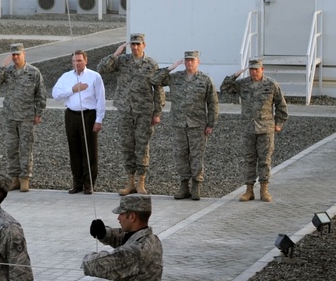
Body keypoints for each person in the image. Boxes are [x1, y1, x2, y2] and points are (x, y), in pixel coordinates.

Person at [98, 34, 164, 196]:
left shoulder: (151, 64)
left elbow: (159, 89)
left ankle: (141, 181)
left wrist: (157, 112)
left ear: (144, 45)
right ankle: (130, 181)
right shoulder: (122, 61)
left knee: (142, 146)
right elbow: (102, 69)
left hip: (144, 112)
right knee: (127, 146)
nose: (135, 47)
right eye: (132, 44)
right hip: (125, 110)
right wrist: (115, 54)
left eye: (138, 44)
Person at [152, 50, 219, 200]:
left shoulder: (205, 80)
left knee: (196, 155)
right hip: (179, 124)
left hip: (198, 124)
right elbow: (154, 80)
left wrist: (211, 123)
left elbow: (213, 103)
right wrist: (171, 67)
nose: (189, 63)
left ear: (198, 62)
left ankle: (196, 185)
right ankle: (184, 185)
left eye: (192, 60)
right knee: (180, 155)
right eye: (187, 60)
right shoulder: (175, 78)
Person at [220, 58, 288, 202]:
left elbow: (281, 105)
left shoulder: (271, 85)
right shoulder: (243, 84)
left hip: (265, 128)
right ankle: (249, 190)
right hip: (248, 128)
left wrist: (279, 123)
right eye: (251, 69)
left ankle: (264, 189)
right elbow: (224, 87)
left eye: (256, 69)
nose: (254, 72)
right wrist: (237, 74)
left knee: (264, 160)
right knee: (249, 160)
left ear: (262, 69)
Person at [0, 43, 46, 193]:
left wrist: (38, 113)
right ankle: (14, 178)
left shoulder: (33, 72)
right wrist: (2, 66)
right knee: (11, 148)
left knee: (26, 148)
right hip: (10, 116)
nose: (15, 57)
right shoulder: (7, 71)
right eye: (13, 55)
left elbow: (41, 94)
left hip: (27, 117)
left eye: (18, 54)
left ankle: (25, 178)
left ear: (24, 54)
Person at [51, 50, 105, 194]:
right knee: (74, 150)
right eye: (74, 61)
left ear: (85, 61)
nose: (77, 64)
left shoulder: (94, 76)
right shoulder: (66, 77)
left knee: (89, 150)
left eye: (79, 61)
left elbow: (101, 99)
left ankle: (89, 184)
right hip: (71, 115)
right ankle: (77, 183)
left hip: (88, 115)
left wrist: (99, 119)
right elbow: (55, 94)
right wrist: (72, 90)